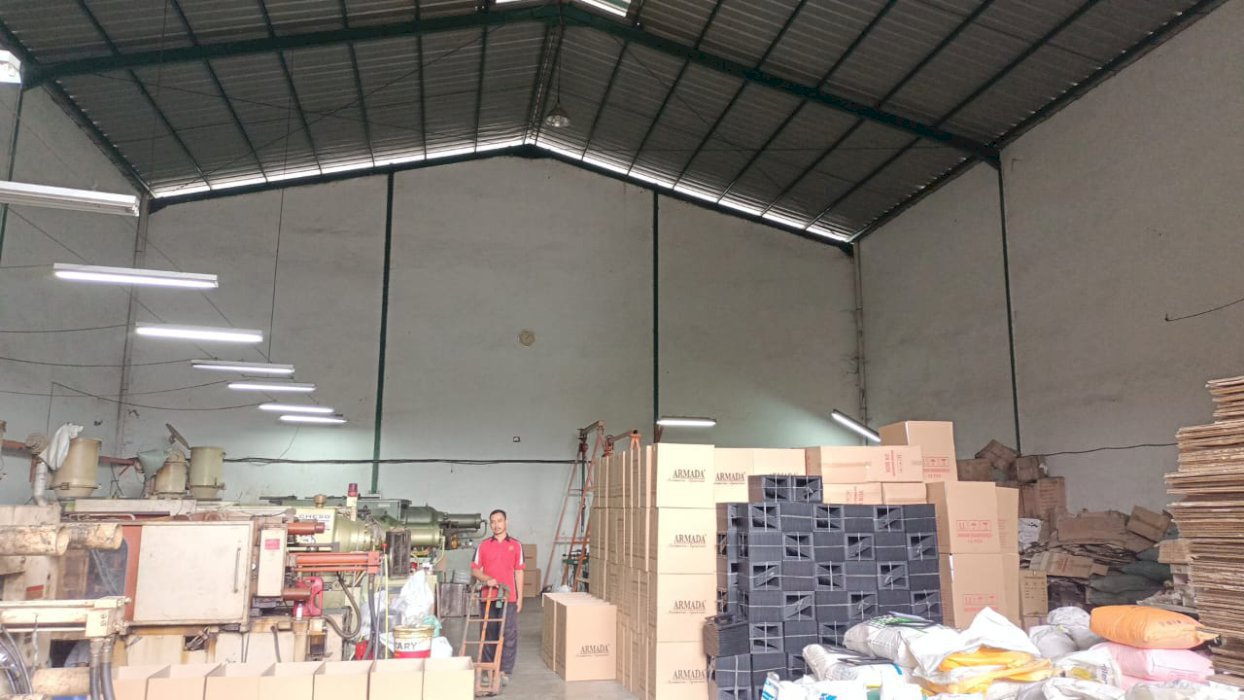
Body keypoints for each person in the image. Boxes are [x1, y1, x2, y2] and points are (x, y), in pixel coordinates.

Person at [470, 508, 524, 685]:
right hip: (488, 597)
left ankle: (503, 670)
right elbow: (475, 570)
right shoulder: (483, 545)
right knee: (488, 632)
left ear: (506, 522)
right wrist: (487, 579)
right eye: (493, 522)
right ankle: (488, 669)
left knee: (508, 633)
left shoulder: (516, 545)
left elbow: (519, 572)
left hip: (508, 597)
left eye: (499, 521)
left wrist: (520, 598)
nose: (496, 525)